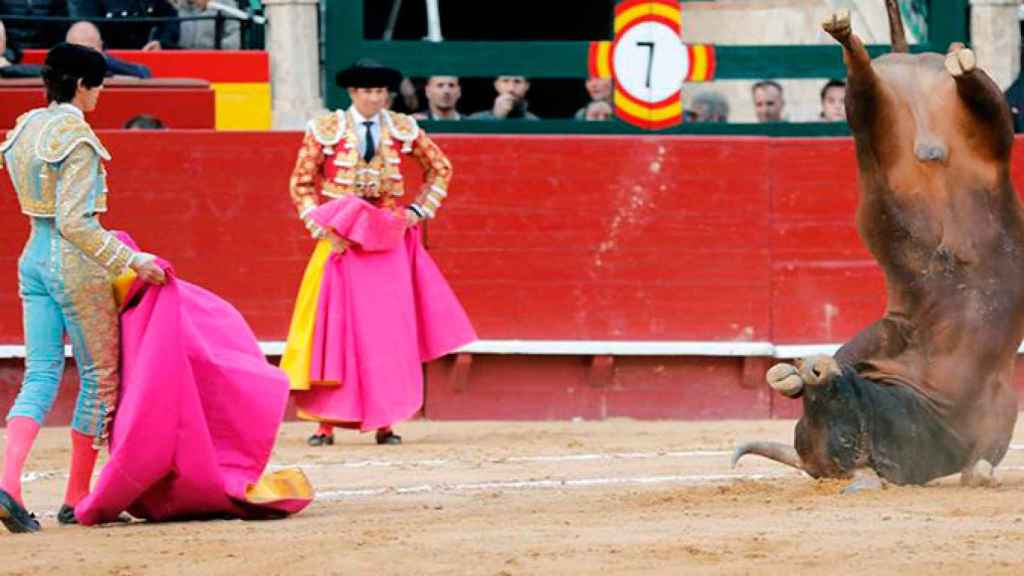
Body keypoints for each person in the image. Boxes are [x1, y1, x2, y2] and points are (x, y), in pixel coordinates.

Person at [0, 42, 166, 533]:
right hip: (75, 265)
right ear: (81, 84)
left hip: (32, 256)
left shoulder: (25, 126)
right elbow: (76, 223)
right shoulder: (79, 138)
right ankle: (75, 498)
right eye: (100, 85)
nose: (101, 94)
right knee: (99, 378)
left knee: (41, 374)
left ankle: (8, 483)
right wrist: (132, 260)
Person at [280, 58, 477, 448]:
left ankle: (386, 421)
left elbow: (441, 169)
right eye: (368, 92)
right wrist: (321, 226)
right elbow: (301, 182)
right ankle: (326, 423)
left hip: (386, 238)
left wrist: (417, 211)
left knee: (387, 333)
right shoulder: (326, 130)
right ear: (353, 93)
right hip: (341, 238)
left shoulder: (403, 128)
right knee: (334, 329)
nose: (375, 99)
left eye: (380, 92)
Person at [67, 0, 180, 50]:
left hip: (145, 57)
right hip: (101, 62)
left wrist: (161, 42)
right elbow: (84, 31)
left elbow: (170, 20)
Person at [66, 20, 152, 78]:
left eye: (89, 49)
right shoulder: (57, 68)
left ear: (100, 48)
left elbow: (144, 73)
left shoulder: (106, 63)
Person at [175, 0, 241, 49]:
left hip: (215, 62)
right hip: (180, 62)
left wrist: (213, 50)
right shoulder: (173, 7)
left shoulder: (225, 4)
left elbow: (235, 39)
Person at [470, 75, 539, 120]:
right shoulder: (475, 119)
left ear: (527, 86)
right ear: (496, 85)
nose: (511, 88)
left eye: (517, 81)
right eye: (505, 81)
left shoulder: (535, 122)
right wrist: (496, 118)